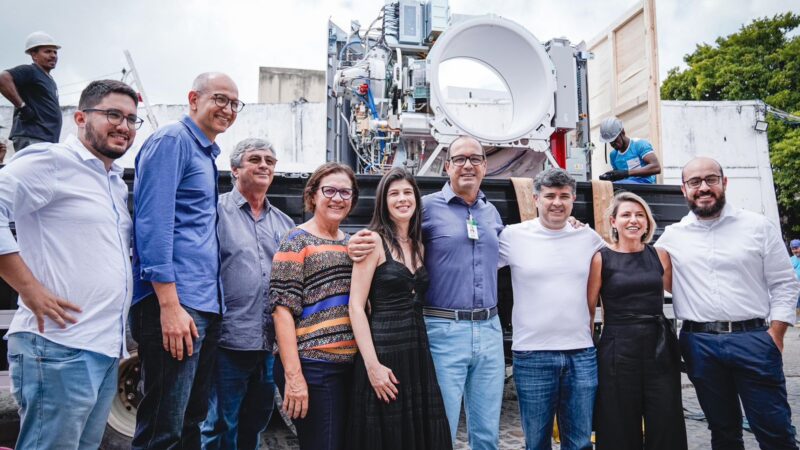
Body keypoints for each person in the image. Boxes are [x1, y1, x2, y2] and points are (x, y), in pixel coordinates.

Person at [0, 79, 141, 449]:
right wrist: (30, 290)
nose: (123, 126)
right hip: (59, 347)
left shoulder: (113, 181)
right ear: (80, 117)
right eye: (112, 114)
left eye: (131, 118)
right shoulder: (52, 162)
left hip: (104, 349)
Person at [349, 135, 505, 450]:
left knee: (488, 431)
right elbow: (392, 229)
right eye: (459, 159)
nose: (467, 165)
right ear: (446, 166)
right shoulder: (426, 207)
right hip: (444, 329)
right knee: (438, 428)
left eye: (475, 158)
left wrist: (570, 225)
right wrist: (351, 242)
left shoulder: (492, 213)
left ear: (485, 166)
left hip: (490, 329)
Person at [656, 157, 800, 450]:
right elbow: (633, 257)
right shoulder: (672, 237)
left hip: (754, 340)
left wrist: (776, 335)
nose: (703, 187)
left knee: (775, 431)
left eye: (710, 179)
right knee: (723, 432)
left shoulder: (758, 226)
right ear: (684, 189)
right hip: (700, 344)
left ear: (724, 182)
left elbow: (784, 283)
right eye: (694, 182)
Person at [130, 72, 242, 448]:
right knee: (164, 424)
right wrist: (169, 306)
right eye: (219, 99)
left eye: (234, 103)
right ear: (194, 98)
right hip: (178, 305)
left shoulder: (206, 153)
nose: (227, 109)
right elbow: (153, 223)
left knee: (191, 419)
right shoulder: (172, 141)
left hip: (204, 306)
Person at [497, 168, 604, 450]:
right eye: (550, 196)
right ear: (535, 199)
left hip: (581, 354)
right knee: (536, 442)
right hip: (532, 354)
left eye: (564, 196)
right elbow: (475, 265)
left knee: (580, 442)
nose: (557, 202)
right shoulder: (513, 236)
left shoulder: (589, 238)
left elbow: (621, 266)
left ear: (573, 200)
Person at [346, 168, 452, 450]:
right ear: (383, 201)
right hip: (383, 351)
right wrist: (373, 367)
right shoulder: (373, 241)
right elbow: (356, 306)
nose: (402, 199)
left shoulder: (418, 244)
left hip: (417, 351)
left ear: (417, 199)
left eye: (407, 192)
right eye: (394, 193)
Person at [200, 138, 294, 449]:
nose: (264, 165)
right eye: (255, 159)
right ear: (235, 168)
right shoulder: (215, 213)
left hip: (269, 344)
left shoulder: (284, 223)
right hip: (228, 342)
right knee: (219, 424)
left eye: (270, 160)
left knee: (256, 421)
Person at [269, 162, 359, 450]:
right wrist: (294, 378)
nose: (337, 198)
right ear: (313, 195)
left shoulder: (352, 244)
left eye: (345, 192)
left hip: (350, 366)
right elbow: (281, 311)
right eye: (329, 190)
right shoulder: (296, 242)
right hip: (313, 366)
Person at [588, 191, 687, 450]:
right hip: (617, 348)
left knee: (665, 418)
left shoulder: (659, 255)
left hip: (659, 346)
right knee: (618, 421)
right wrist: (588, 352)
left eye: (639, 215)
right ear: (613, 222)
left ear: (647, 222)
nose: (634, 220)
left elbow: (684, 293)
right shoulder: (601, 258)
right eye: (626, 215)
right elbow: (589, 310)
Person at [0, 31, 62, 150]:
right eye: (47, 51)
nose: (53, 55)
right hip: (32, 137)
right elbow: (3, 78)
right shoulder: (31, 71)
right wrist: (22, 106)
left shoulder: (49, 80)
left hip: (46, 140)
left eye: (55, 52)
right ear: (34, 55)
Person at [597, 116, 660, 184]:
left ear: (623, 132)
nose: (613, 144)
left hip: (644, 185)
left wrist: (627, 173)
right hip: (626, 187)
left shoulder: (639, 145)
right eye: (610, 142)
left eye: (615, 140)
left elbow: (656, 167)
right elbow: (618, 178)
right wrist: (610, 177)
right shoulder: (613, 155)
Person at [790, 239, 800, 322]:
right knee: (797, 312)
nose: (795, 250)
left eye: (796, 248)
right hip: (795, 290)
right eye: (793, 249)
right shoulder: (791, 260)